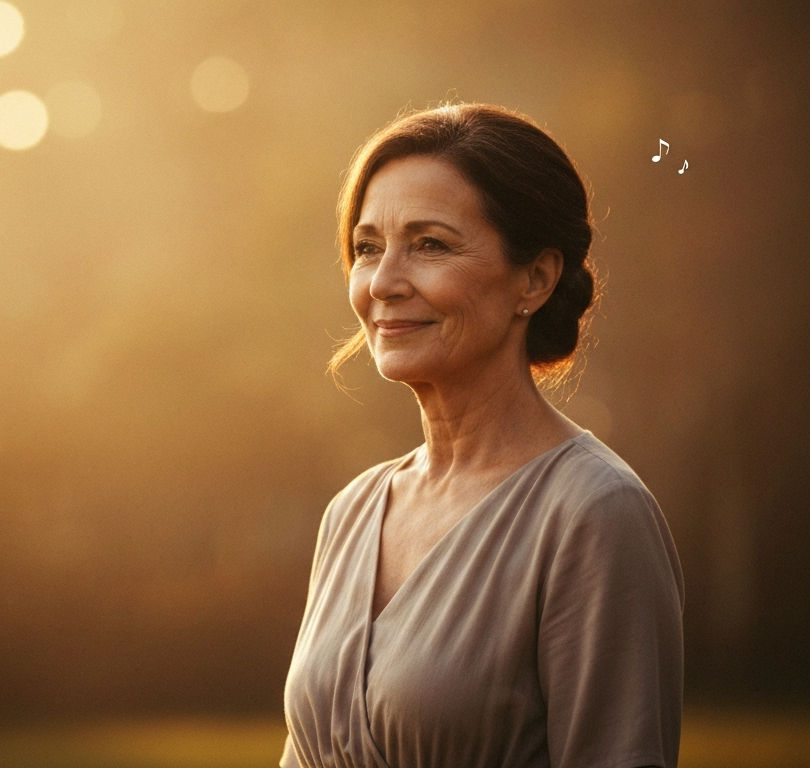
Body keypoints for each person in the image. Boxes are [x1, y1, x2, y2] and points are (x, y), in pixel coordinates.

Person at [280, 104, 684, 768]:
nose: (382, 282)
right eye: (367, 248)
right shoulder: (351, 512)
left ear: (536, 278)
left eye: (430, 244)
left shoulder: (595, 514)